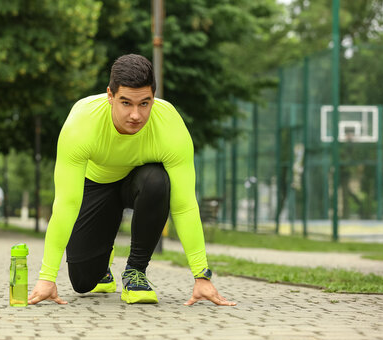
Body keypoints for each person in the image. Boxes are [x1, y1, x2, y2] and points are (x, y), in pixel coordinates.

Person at [29, 54, 236, 306]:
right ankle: (103, 259)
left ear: (154, 97)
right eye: (126, 103)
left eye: (144, 103)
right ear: (110, 95)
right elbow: (66, 204)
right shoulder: (81, 123)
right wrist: (47, 277)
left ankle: (135, 271)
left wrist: (201, 275)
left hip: (138, 182)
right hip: (97, 185)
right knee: (84, 282)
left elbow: (184, 205)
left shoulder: (169, 124)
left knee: (158, 180)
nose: (136, 115)